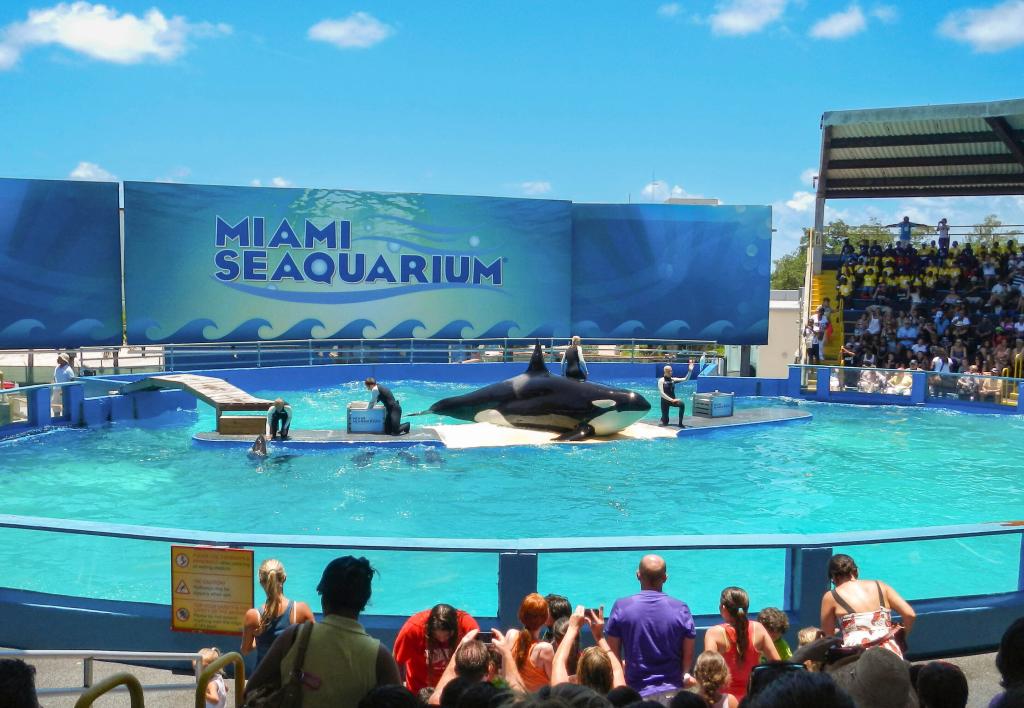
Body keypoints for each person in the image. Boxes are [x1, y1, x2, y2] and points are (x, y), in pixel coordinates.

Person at [244, 556, 402, 708]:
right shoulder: (381, 658)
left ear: (322, 596)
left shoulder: (292, 637)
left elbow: (251, 692)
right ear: (365, 601)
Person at [604, 554, 697, 696]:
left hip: (635, 694)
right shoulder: (681, 609)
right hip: (673, 692)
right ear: (665, 577)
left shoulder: (621, 607)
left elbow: (613, 654)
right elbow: (688, 654)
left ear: (638, 575)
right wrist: (683, 675)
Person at [819, 554, 915, 659]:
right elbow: (910, 614)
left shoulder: (831, 596)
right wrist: (900, 638)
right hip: (890, 652)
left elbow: (828, 637)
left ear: (833, 578)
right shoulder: (880, 586)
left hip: (857, 656)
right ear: (856, 571)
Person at [703, 587, 779, 701]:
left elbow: (708, 673)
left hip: (724, 702)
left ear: (723, 608)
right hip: (751, 700)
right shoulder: (758, 629)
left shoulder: (714, 633)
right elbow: (779, 665)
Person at [241, 559, 316, 666]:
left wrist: (259, 641)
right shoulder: (301, 610)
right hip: (290, 679)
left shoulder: (253, 615)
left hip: (262, 679)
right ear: (284, 578)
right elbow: (314, 645)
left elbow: (245, 650)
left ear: (261, 582)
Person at [392, 603, 480, 693]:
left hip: (455, 692)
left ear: (455, 629)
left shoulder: (468, 627)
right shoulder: (412, 629)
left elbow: (478, 663)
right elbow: (396, 662)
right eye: (436, 636)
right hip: (420, 691)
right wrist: (400, 692)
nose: (442, 640)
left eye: (447, 636)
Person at [550, 605, 625, 695]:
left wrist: (572, 628)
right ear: (610, 675)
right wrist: (599, 636)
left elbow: (558, 662)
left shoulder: (566, 700)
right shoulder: (618, 698)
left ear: (579, 675)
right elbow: (617, 669)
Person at [506, 593, 555, 691]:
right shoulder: (544, 649)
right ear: (545, 619)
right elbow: (556, 683)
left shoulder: (510, 635)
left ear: (521, 615)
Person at [658, 361, 696, 427]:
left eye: (671, 371)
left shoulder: (673, 380)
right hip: (665, 402)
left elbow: (685, 379)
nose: (670, 372)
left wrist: (690, 371)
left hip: (673, 400)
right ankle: (663, 418)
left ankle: (680, 423)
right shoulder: (661, 381)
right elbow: (661, 393)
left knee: (682, 404)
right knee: (665, 422)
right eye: (669, 371)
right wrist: (671, 400)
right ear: (665, 372)